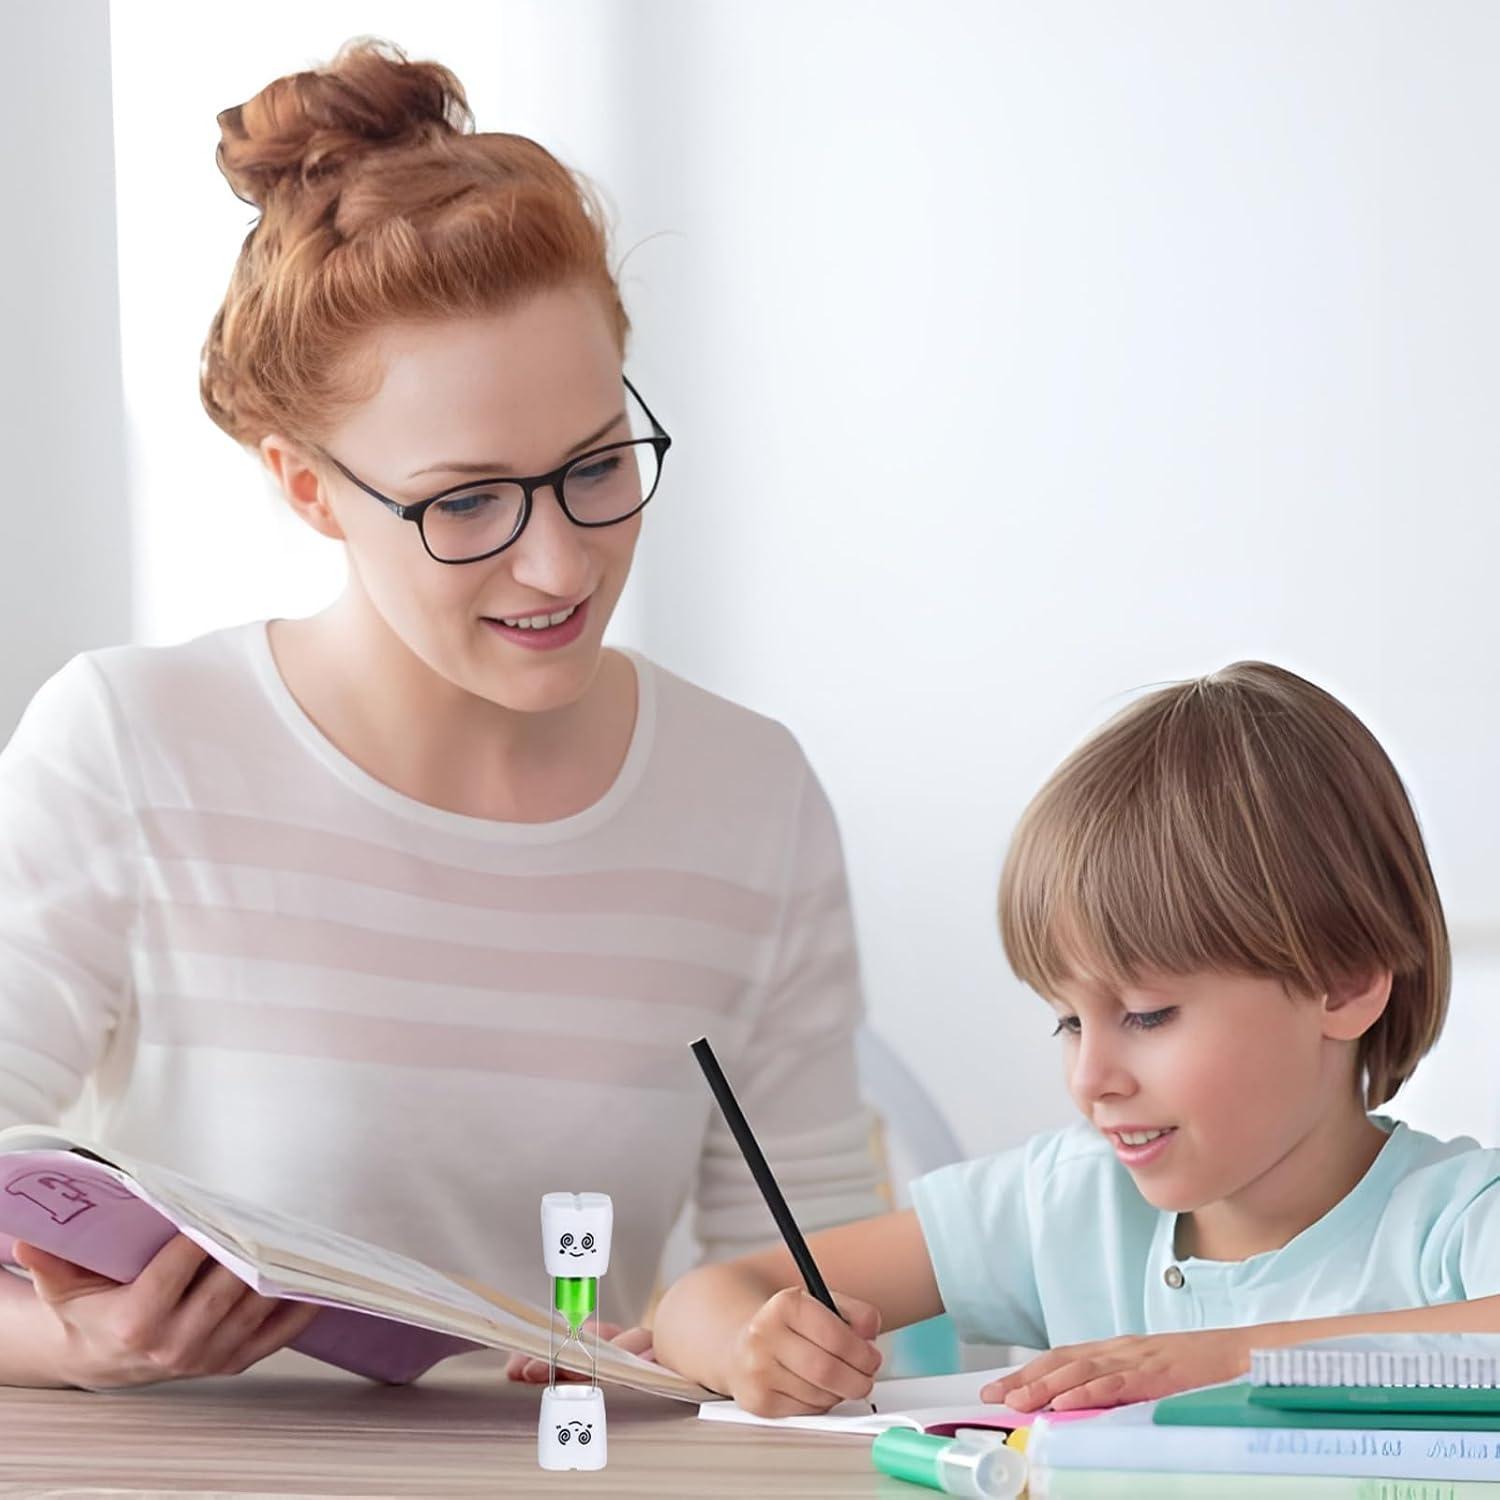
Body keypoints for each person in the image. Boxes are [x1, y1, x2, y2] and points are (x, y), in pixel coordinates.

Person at [0, 39, 882, 1391]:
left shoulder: (748, 796)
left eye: (597, 465)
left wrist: (766, 1351)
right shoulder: (133, 747)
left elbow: (819, 1270)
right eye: (467, 501)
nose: (561, 565)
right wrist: (75, 1347)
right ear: (307, 488)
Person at [652, 661, 1500, 1416]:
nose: (1091, 1078)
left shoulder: (1456, 1220)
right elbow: (707, 1298)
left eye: (1147, 1015)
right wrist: (753, 1351)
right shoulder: (1066, 1203)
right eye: (1067, 1021)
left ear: (1343, 984)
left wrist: (1225, 1360)